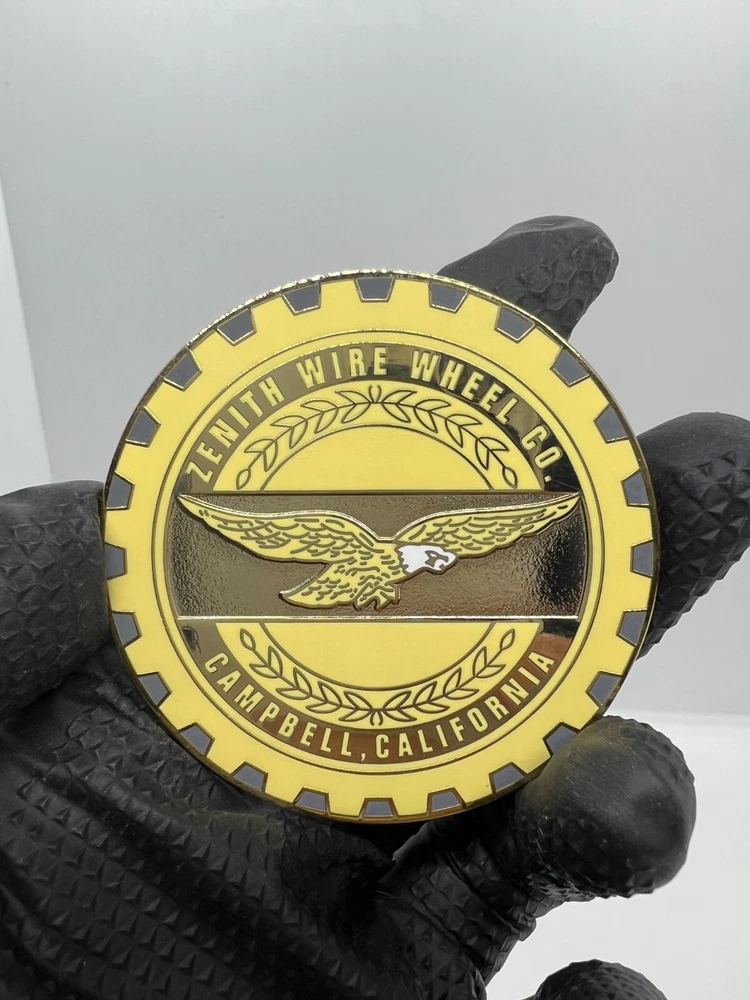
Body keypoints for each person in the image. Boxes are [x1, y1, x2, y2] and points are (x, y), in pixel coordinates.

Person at [1, 217, 748, 1000]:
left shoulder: (438, 548)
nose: (437, 561)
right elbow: (260, 530)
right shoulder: (334, 535)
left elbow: (482, 535)